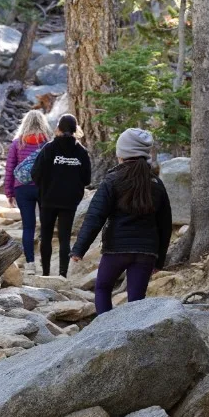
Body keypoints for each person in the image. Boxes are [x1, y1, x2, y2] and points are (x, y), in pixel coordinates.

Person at [70, 128, 172, 314]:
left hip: (117, 249)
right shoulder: (156, 184)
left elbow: (95, 216)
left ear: (122, 153)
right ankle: (133, 337)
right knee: (136, 300)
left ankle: (104, 332)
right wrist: (159, 260)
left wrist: (79, 249)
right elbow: (165, 225)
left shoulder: (112, 180)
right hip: (146, 252)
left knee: (102, 288)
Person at [30, 114, 91, 277]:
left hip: (48, 199)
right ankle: (63, 275)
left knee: (46, 235)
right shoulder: (81, 152)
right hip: (70, 201)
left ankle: (46, 273)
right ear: (75, 129)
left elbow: (35, 173)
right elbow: (87, 179)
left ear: (58, 128)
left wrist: (45, 186)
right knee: (64, 238)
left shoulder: (49, 148)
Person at [4, 110, 51, 275]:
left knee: (28, 227)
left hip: (22, 188)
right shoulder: (47, 144)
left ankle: (30, 264)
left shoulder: (17, 143)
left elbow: (10, 168)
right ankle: (46, 265)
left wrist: (9, 192)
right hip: (43, 187)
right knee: (46, 227)